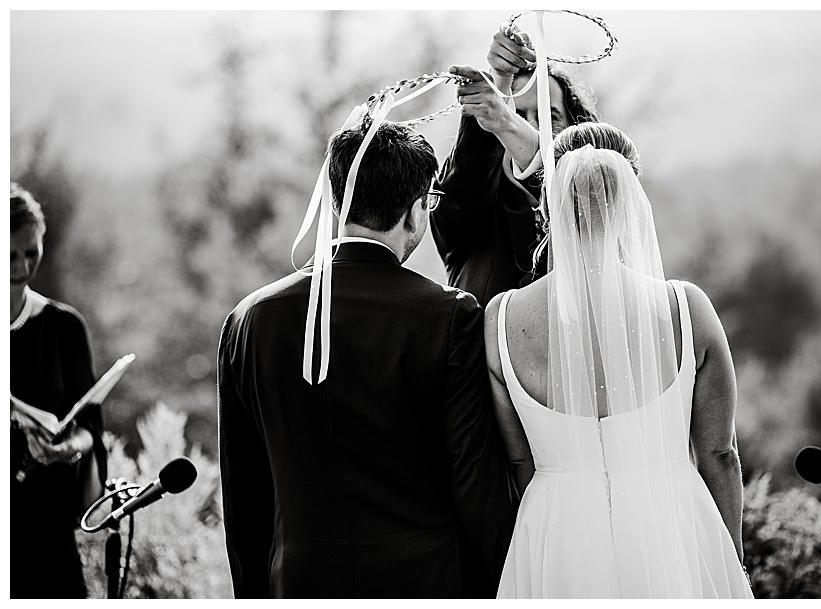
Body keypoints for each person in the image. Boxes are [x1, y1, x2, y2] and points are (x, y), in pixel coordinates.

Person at [217, 121, 516, 598]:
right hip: (425, 584)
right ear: (417, 211)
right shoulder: (449, 316)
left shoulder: (249, 320)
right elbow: (473, 479)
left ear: (337, 203)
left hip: (299, 585)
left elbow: (242, 494)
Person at [486, 123, 752, 598]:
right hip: (674, 529)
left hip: (558, 540)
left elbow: (518, 459)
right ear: (631, 204)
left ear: (548, 202)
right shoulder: (686, 310)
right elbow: (719, 454)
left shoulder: (502, 320)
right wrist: (730, 560)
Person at [434, 23, 620, 306]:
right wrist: (500, 81)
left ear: (575, 125)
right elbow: (461, 191)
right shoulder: (470, 203)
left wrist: (509, 121)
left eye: (550, 116)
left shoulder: (598, 201)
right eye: (518, 113)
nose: (530, 125)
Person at [10, 183, 108, 598]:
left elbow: (89, 428)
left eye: (31, 253)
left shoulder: (63, 326)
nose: (21, 267)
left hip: (47, 525)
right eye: (10, 254)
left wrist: (65, 448)